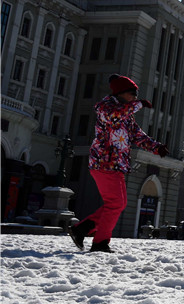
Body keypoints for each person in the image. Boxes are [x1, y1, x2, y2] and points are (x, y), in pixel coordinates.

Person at [68, 74, 168, 253]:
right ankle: (100, 243)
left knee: (118, 204)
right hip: (104, 162)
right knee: (115, 203)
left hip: (115, 164)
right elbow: (115, 116)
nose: (135, 98)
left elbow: (138, 135)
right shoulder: (106, 108)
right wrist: (138, 105)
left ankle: (81, 229)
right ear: (121, 93)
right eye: (133, 94)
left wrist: (157, 148)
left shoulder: (126, 115)